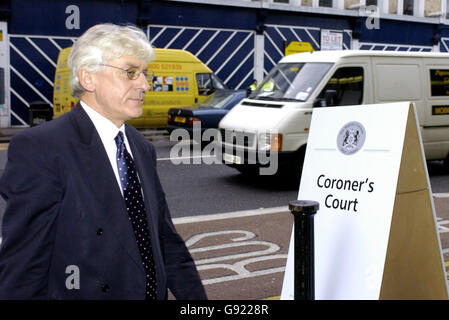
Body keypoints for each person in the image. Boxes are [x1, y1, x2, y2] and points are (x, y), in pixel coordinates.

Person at [0, 23, 207, 300]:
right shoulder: (41, 148)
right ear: (88, 79)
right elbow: (25, 268)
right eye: (131, 72)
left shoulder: (141, 148)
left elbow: (164, 238)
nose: (145, 84)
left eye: (145, 74)